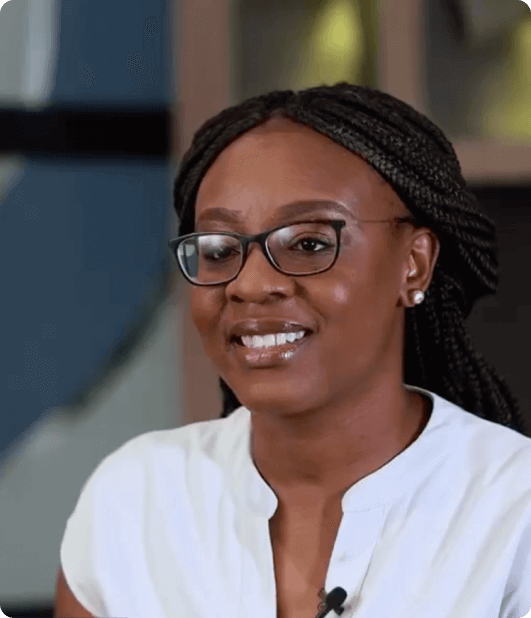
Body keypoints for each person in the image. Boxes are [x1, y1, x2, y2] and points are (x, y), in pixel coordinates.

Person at [55, 83, 531, 618]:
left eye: (309, 244)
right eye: (219, 249)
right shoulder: (133, 500)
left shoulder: (516, 511)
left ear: (413, 264)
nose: (250, 285)